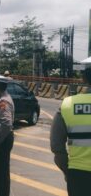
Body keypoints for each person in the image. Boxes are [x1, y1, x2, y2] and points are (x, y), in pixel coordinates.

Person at [50, 67, 91, 196]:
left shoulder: (67, 105)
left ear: (84, 79)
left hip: (78, 174)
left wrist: (67, 171)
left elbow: (56, 146)